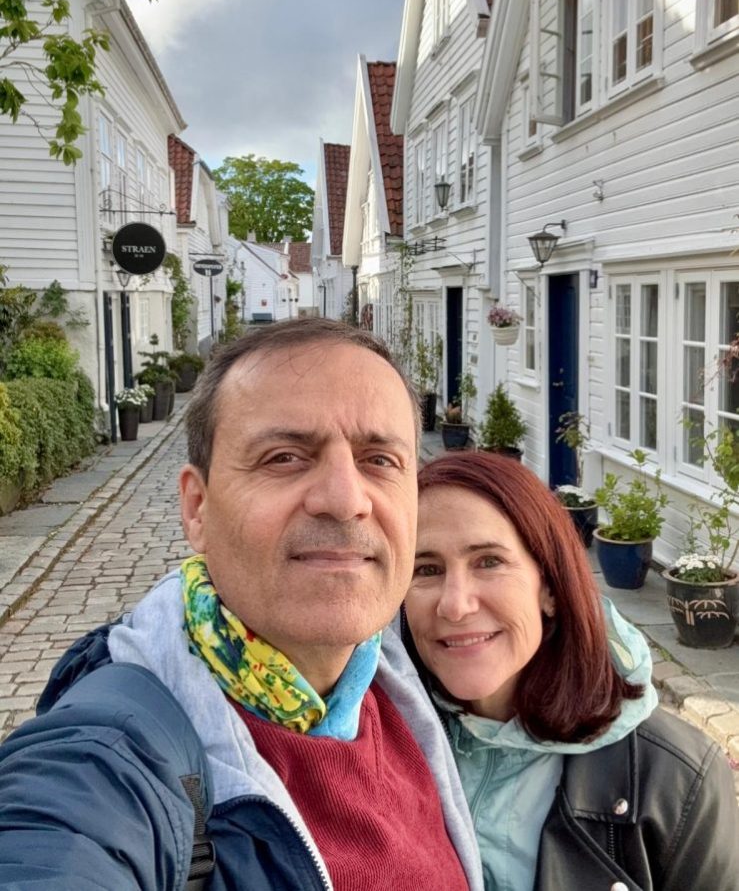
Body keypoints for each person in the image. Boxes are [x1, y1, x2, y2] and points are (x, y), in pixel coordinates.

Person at [0, 319, 482, 891]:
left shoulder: (407, 671)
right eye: (283, 457)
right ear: (197, 508)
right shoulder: (110, 761)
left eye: (379, 460)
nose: (346, 499)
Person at [403, 451, 739, 891]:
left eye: (488, 562)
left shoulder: (679, 779)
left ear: (550, 588)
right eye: (426, 569)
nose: (455, 603)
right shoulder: (371, 742)